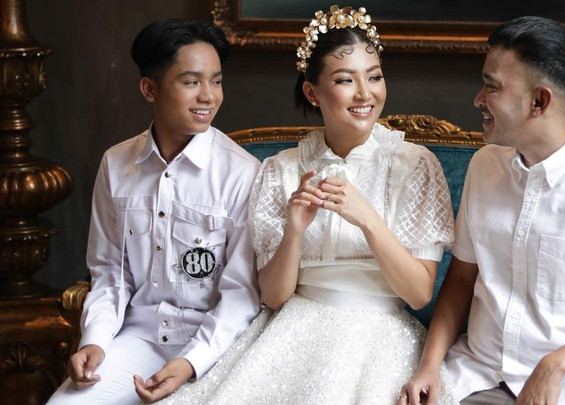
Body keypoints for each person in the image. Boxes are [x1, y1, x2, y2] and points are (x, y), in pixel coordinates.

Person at [157, 5, 457, 405]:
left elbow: (419, 294)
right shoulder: (279, 170)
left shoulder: (414, 165)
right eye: (345, 80)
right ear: (312, 92)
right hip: (292, 329)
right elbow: (274, 298)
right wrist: (293, 230)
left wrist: (368, 219)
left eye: (374, 77)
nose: (365, 93)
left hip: (379, 337)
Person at [399, 16, 565, 405]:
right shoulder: (484, 165)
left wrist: (556, 365)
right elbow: (460, 280)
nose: (478, 99)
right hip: (476, 375)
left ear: (539, 101)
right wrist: (428, 367)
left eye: (491, 86)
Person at [47, 19, 261, 404]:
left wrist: (191, 361)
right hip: (138, 339)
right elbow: (109, 272)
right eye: (191, 82)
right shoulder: (116, 164)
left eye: (216, 81)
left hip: (212, 346)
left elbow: (241, 292)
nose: (208, 96)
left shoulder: (242, 173)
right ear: (150, 88)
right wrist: (95, 341)